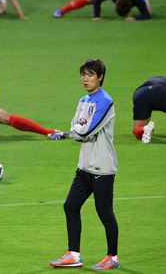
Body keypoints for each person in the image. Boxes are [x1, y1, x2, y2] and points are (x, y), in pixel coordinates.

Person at [49, 59, 120, 271]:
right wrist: (75, 131)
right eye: (83, 74)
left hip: (103, 168)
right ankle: (73, 254)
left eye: (90, 74)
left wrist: (74, 132)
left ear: (100, 77)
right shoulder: (83, 100)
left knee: (104, 211)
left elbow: (86, 131)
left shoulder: (105, 101)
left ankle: (112, 256)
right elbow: (76, 127)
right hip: (84, 167)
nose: (85, 79)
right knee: (70, 206)